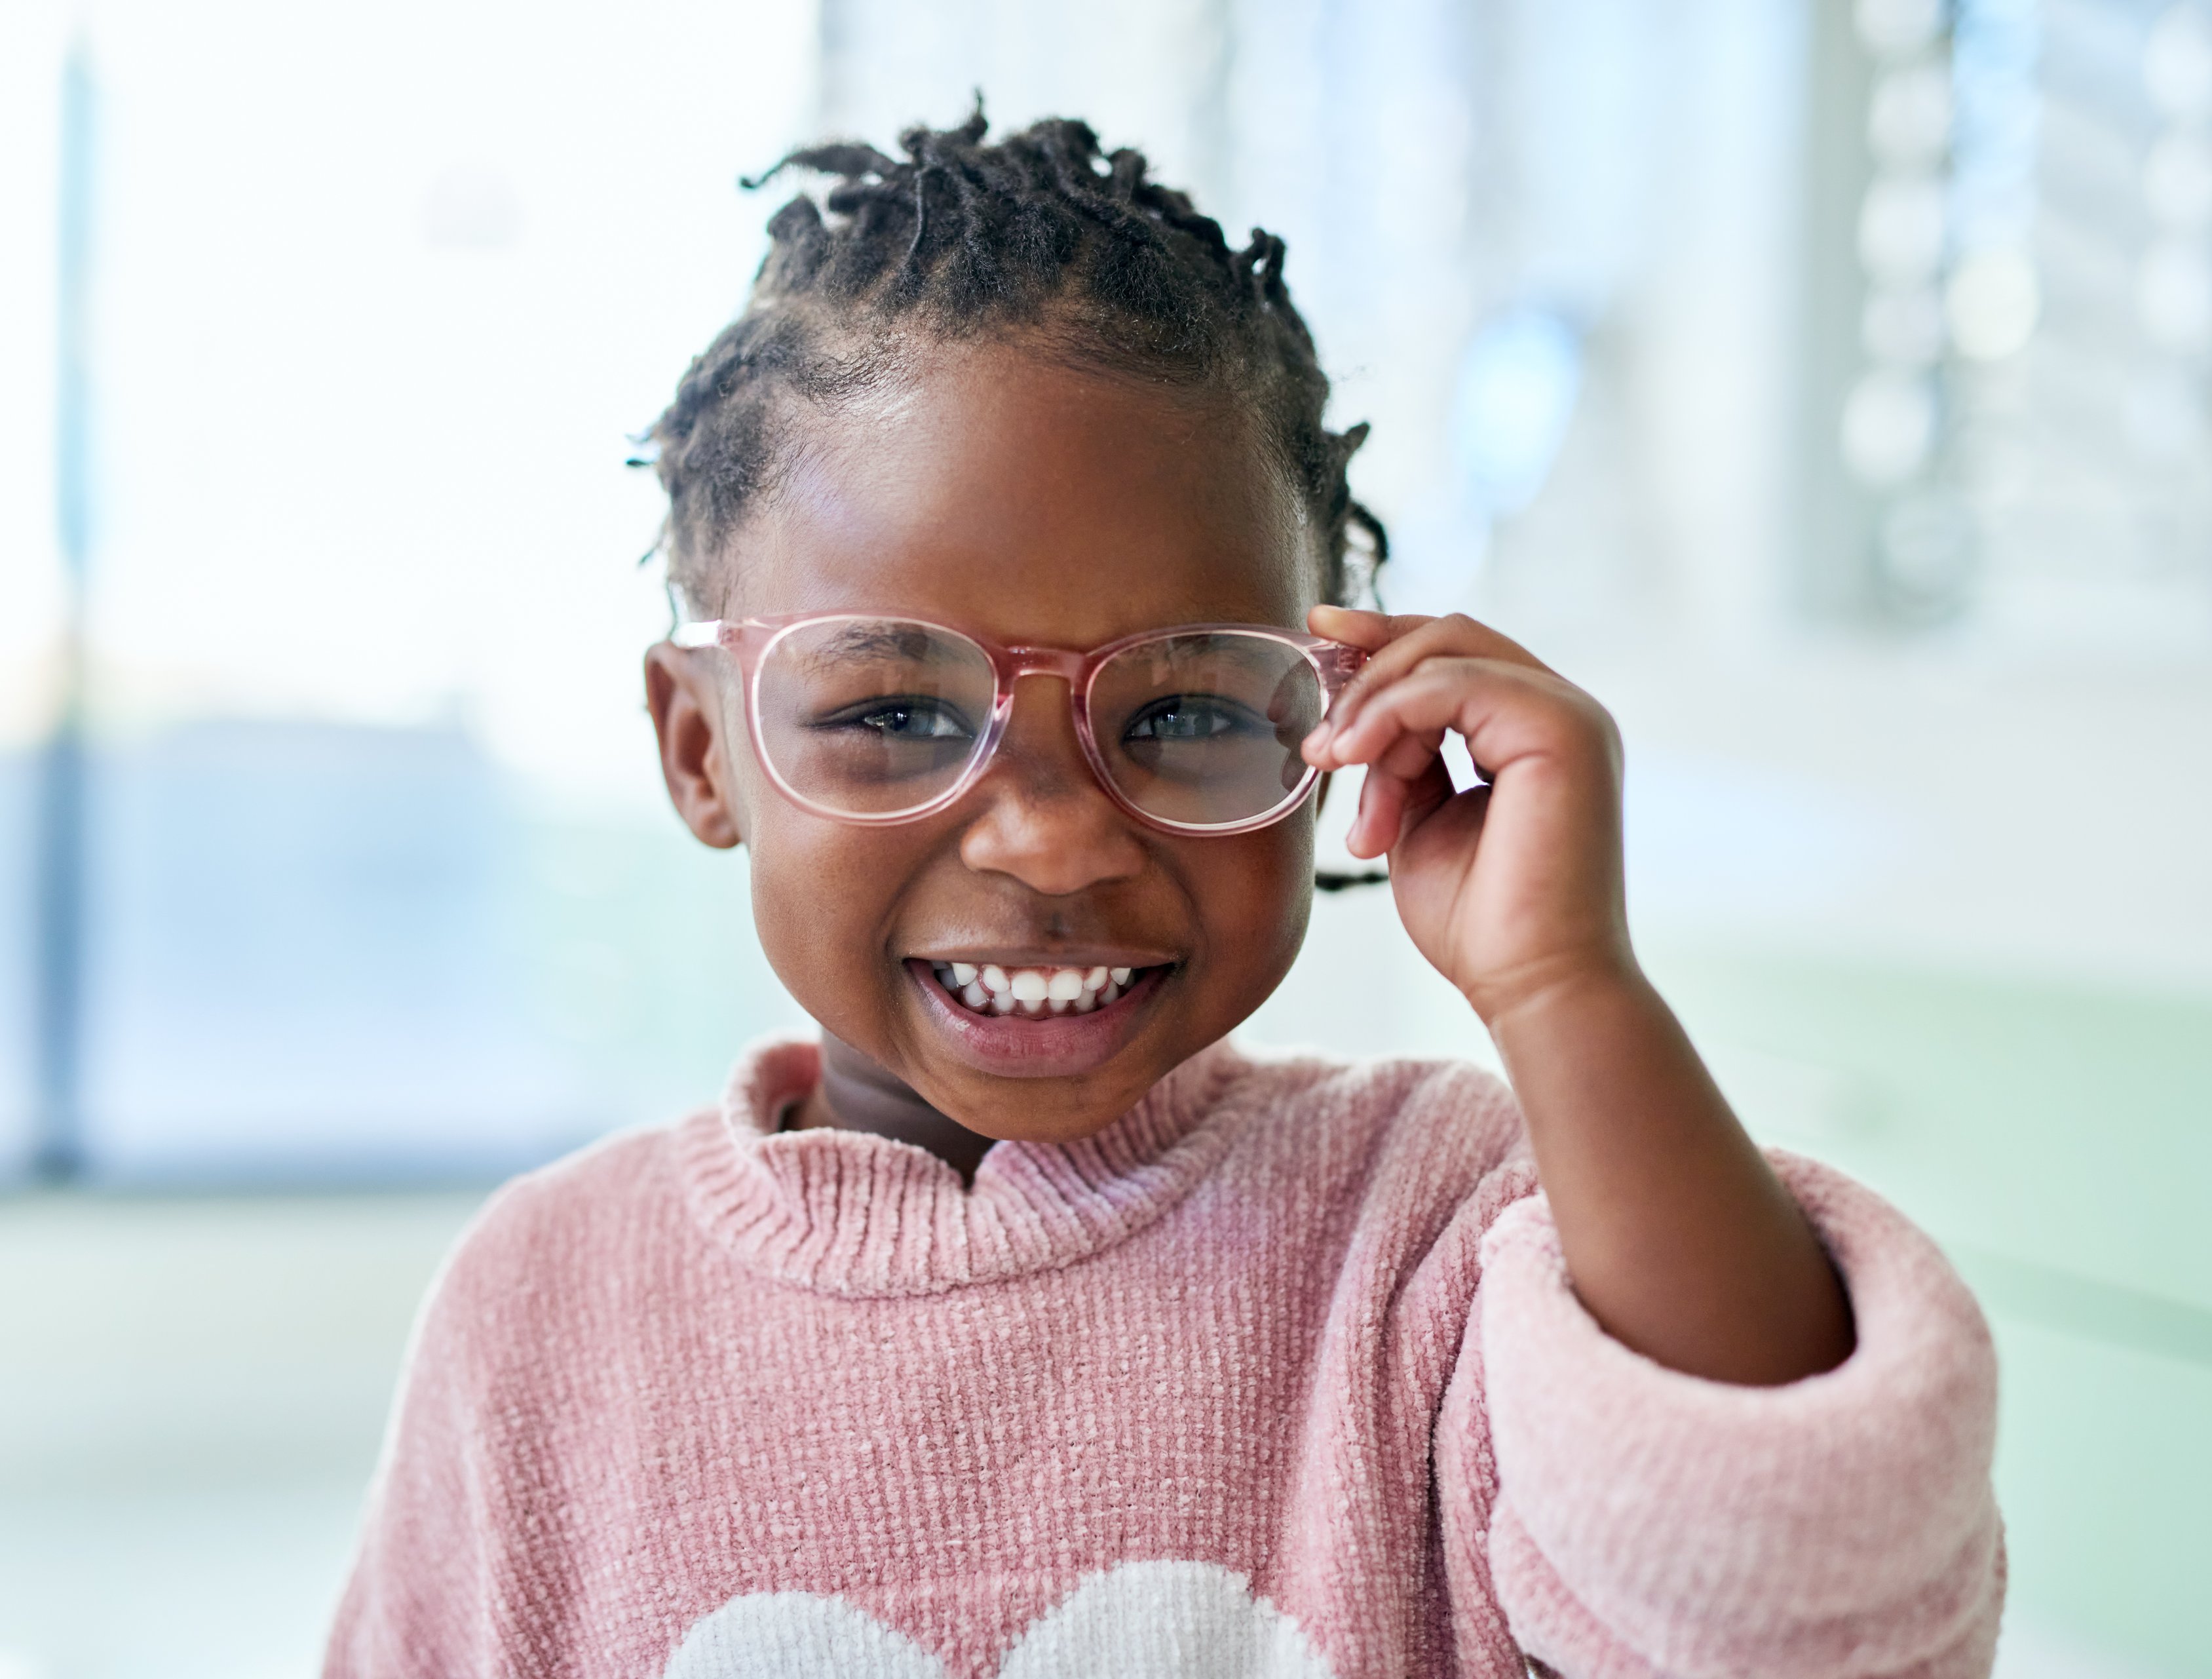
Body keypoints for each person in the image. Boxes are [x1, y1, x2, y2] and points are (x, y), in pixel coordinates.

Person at [326, 111, 2002, 1678]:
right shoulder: (542, 1306)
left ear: (1335, 714)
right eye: (896, 715)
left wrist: (1569, 990)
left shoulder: (1449, 1230)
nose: (1052, 844)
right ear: (703, 752)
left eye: (1188, 711)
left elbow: (1806, 1605)